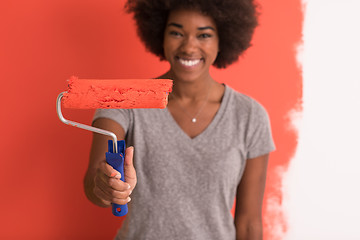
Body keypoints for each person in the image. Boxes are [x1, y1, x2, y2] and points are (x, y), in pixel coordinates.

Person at [84, 0, 275, 239]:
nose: (189, 46)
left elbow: (248, 224)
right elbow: (95, 182)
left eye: (204, 35)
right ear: (160, 35)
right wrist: (107, 185)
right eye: (176, 32)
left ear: (222, 40)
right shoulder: (124, 101)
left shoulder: (249, 116)